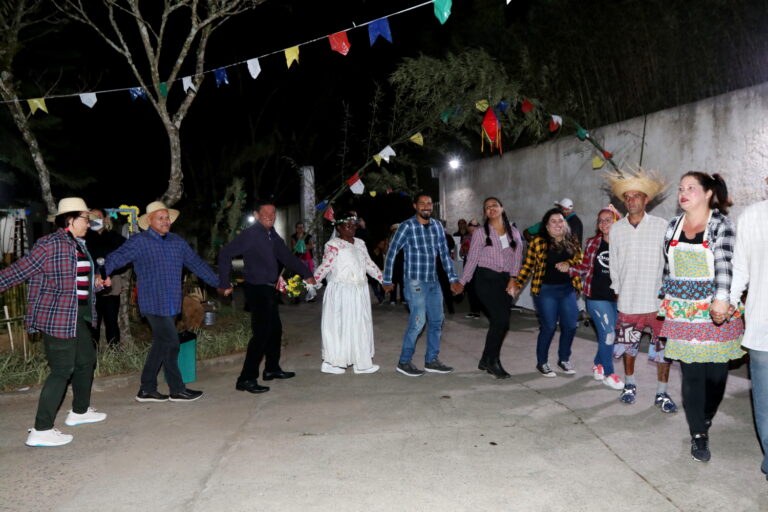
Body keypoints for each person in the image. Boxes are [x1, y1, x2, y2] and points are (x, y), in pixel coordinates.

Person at [0, 198, 108, 447]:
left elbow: (73, 277)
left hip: (77, 315)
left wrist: (94, 283)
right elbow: (18, 271)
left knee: (86, 360)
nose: (88, 223)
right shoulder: (50, 244)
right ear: (70, 219)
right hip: (57, 316)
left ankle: (80, 412)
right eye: (85, 218)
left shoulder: (79, 244)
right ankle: (41, 429)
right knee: (62, 370)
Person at [659, 172, 744, 462]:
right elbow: (668, 267)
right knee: (692, 373)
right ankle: (698, 433)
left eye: (691, 188)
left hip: (714, 308)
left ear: (708, 193)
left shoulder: (721, 224)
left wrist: (722, 300)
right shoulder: (673, 225)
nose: (684, 193)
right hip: (683, 310)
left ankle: (706, 414)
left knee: (716, 375)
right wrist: (665, 298)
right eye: (681, 188)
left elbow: (725, 264)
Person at [105, 201, 222, 403]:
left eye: (167, 217)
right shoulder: (139, 241)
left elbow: (196, 263)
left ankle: (147, 389)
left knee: (161, 344)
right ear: (149, 221)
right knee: (172, 343)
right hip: (153, 303)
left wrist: (218, 283)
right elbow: (118, 257)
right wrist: (100, 273)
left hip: (172, 304)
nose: (166, 221)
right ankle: (177, 389)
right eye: (161, 218)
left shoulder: (177, 242)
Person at [218, 199, 316, 394]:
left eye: (273, 214)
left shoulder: (271, 234)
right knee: (261, 333)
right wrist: (223, 282)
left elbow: (286, 257)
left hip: (270, 289)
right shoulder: (250, 234)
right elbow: (225, 254)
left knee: (275, 331)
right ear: (256, 215)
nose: (271, 217)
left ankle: (271, 369)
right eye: (266, 214)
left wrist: (307, 274)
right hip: (256, 289)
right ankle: (246, 379)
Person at [606, 168, 677, 413]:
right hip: (628, 302)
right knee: (628, 347)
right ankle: (629, 385)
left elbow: (672, 261)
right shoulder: (616, 229)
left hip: (657, 302)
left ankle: (662, 392)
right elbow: (613, 263)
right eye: (627, 197)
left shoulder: (661, 226)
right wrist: (618, 289)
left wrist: (669, 292)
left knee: (663, 351)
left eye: (636, 196)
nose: (631, 200)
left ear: (646, 200)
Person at [382, 192, 460, 377]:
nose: (426, 206)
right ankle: (404, 361)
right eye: (422, 203)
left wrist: (453, 278)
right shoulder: (406, 226)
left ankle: (431, 360)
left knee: (437, 321)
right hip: (415, 282)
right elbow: (392, 253)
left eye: (429, 203)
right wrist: (387, 279)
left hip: (433, 281)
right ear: (415, 206)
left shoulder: (437, 226)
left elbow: (444, 254)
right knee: (418, 323)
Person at [455, 197, 523, 378]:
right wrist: (463, 282)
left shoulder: (513, 232)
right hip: (485, 280)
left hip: (505, 281)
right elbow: (472, 259)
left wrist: (513, 279)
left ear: (502, 208)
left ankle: (486, 359)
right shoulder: (480, 233)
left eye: (494, 205)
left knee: (500, 323)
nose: (491, 209)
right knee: (501, 321)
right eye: (487, 207)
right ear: (485, 213)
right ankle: (493, 361)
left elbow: (517, 257)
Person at [511, 208, 582, 377]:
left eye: (561, 220)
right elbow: (528, 266)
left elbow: (580, 260)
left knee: (571, 325)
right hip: (545, 290)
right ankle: (542, 362)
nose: (558, 224)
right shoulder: (538, 241)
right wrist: (517, 284)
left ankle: (564, 359)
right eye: (553, 221)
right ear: (547, 227)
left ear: (565, 224)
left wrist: (568, 263)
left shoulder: (572, 240)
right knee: (549, 326)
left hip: (567, 289)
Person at [563, 205, 625, 390]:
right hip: (596, 296)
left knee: (611, 335)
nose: (604, 223)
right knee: (608, 334)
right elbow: (584, 267)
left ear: (617, 222)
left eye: (608, 219)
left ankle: (598, 363)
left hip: (617, 297)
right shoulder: (593, 243)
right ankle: (608, 373)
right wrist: (569, 269)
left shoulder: (624, 243)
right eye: (601, 220)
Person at [728, 191, 768, 479]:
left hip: (759, 324)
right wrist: (727, 300)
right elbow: (739, 268)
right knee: (765, 399)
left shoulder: (751, 216)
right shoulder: (751, 216)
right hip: (761, 325)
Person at [313, 213, 383, 374]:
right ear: (338, 227)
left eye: (353, 225)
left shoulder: (360, 243)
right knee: (339, 326)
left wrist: (382, 279)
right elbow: (326, 266)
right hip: (341, 291)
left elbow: (368, 264)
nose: (351, 228)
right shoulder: (333, 245)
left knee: (359, 325)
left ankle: (361, 363)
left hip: (359, 291)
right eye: (347, 225)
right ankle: (332, 362)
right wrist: (312, 281)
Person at [85, 208, 126, 347]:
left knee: (111, 321)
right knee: (92, 324)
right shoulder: (84, 238)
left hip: (111, 283)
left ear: (105, 219)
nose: (94, 219)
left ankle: (114, 354)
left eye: (97, 216)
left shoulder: (115, 237)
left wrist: (112, 271)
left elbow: (126, 257)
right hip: (89, 284)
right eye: (91, 216)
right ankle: (92, 357)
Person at [462, 219, 483, 319]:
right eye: (471, 227)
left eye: (475, 227)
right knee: (470, 287)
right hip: (467, 261)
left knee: (477, 286)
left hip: (478, 263)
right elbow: (461, 253)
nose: (472, 229)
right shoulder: (466, 237)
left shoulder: (482, 237)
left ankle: (477, 310)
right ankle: (472, 310)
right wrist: (464, 250)